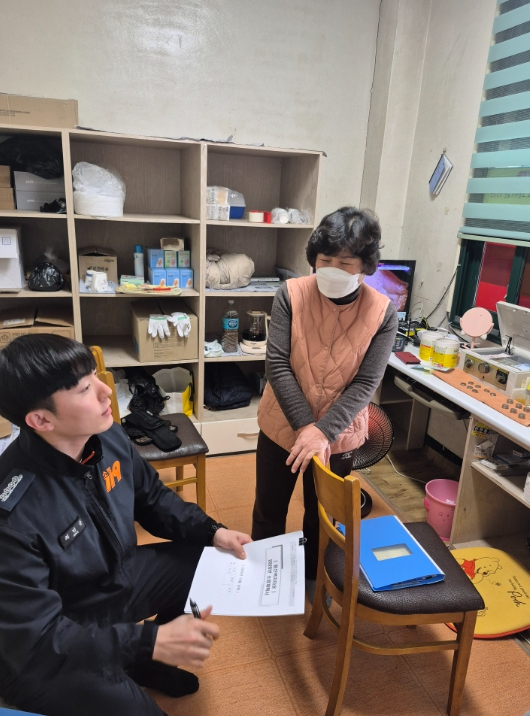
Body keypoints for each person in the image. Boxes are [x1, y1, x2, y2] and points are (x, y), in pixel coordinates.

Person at [0, 334, 252, 716]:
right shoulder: (13, 514)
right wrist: (145, 640)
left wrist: (212, 531)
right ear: (41, 420)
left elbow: (153, 499)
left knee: (205, 563)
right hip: (51, 648)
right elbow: (39, 640)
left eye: (96, 376)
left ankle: (149, 666)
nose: (106, 392)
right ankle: (138, 658)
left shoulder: (108, 436)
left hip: (112, 583)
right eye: (86, 388)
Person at [252, 206, 398, 599]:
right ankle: (263, 582)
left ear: (364, 266)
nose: (332, 269)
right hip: (282, 426)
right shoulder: (291, 294)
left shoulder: (383, 312)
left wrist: (324, 432)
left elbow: (366, 382)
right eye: (325, 260)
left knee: (322, 515)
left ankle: (313, 583)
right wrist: (306, 428)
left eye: (345, 263)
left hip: (339, 436)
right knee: (268, 509)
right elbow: (277, 363)